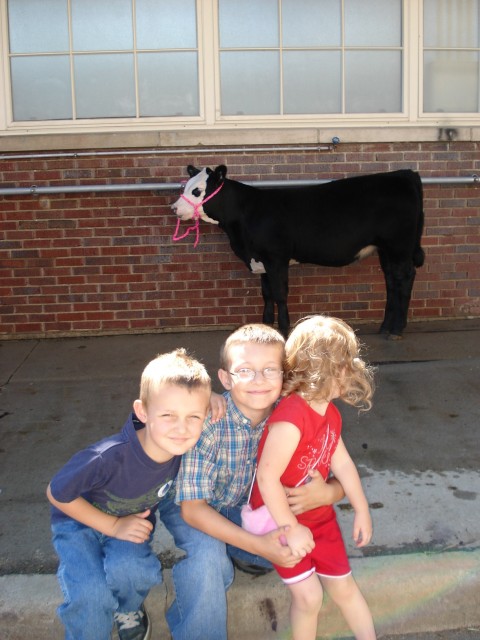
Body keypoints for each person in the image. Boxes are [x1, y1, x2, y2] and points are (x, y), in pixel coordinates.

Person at [166, 324, 345, 640]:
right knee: (208, 561)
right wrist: (260, 545)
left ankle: (243, 551)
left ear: (285, 377)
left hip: (246, 509)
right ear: (225, 379)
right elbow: (192, 510)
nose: (259, 380)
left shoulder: (292, 417)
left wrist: (328, 493)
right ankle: (237, 557)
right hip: (195, 506)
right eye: (245, 371)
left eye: (270, 370)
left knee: (300, 544)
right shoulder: (210, 422)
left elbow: (340, 474)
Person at [47, 349, 213, 640]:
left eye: (193, 416)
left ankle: (127, 608)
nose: (182, 428)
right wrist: (112, 526)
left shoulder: (181, 450)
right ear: (142, 412)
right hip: (78, 523)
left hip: (129, 523)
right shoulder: (107, 456)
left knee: (134, 570)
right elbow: (56, 492)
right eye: (168, 415)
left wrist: (218, 398)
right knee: (90, 594)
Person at [247, 315, 377, 640]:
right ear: (322, 368)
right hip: (277, 519)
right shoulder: (292, 417)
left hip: (318, 517)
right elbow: (266, 478)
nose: (351, 371)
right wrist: (290, 528)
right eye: (345, 364)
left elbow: (342, 463)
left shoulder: (330, 413)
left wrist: (361, 509)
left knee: (344, 588)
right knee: (309, 597)